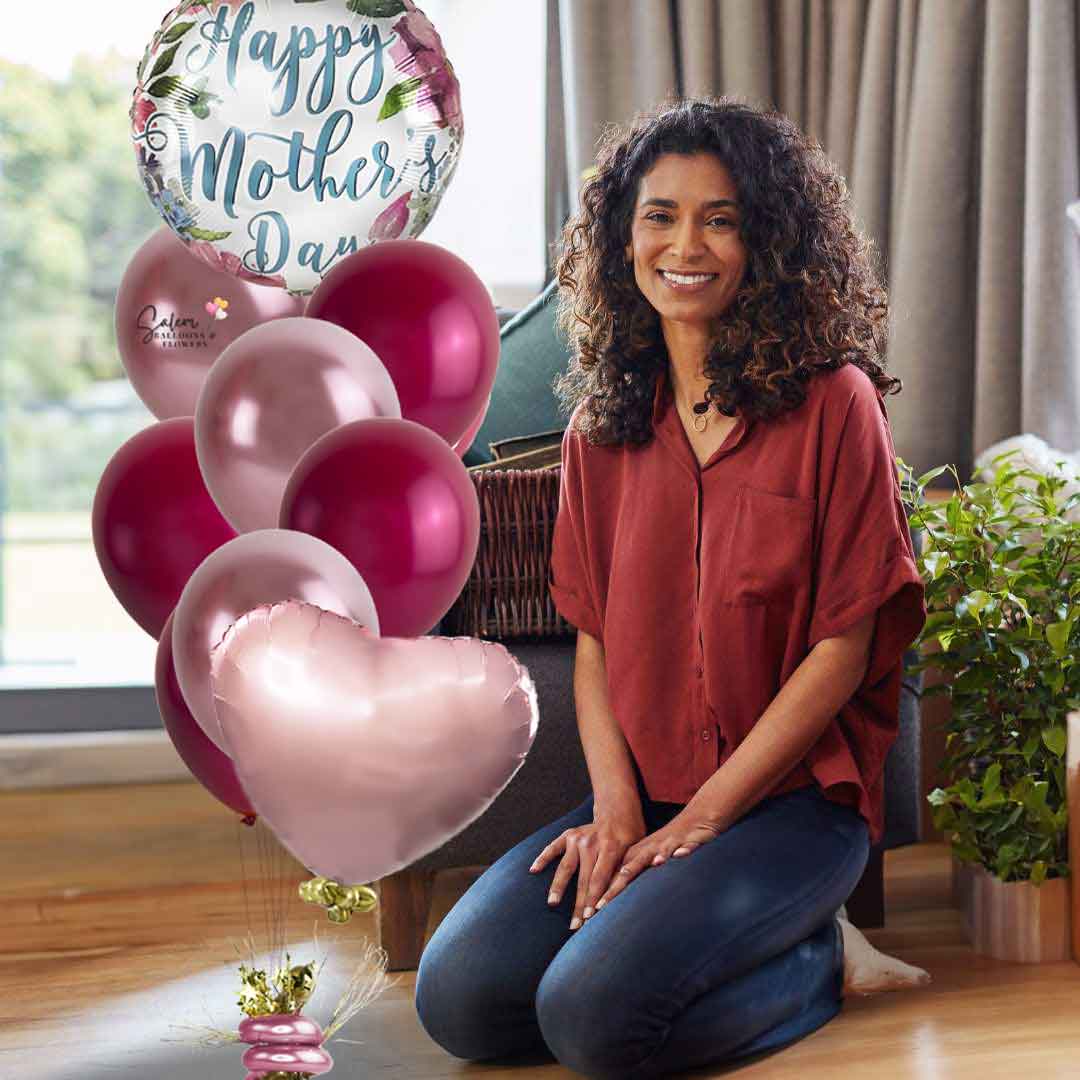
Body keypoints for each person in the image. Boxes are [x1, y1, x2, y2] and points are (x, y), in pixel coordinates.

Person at [414, 96, 930, 1079]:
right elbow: (596, 636)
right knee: (463, 1003)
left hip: (792, 808)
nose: (685, 244)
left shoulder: (834, 405)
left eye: (720, 218)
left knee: (595, 1022)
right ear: (623, 238)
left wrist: (703, 822)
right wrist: (616, 812)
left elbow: (843, 650)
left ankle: (816, 952)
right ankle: (689, 943)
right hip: (645, 795)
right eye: (660, 215)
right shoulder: (601, 427)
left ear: (767, 242)